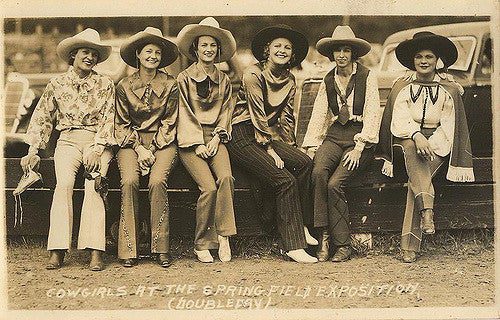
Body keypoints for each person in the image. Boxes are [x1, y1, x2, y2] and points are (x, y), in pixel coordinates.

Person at [20, 28, 115, 271]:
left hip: (96, 142)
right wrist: (33, 150)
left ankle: (95, 250)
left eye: (94, 54)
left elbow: (109, 119)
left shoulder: (105, 84)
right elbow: (43, 118)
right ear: (73, 55)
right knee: (63, 186)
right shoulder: (57, 84)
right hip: (68, 141)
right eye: (85, 52)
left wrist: (98, 147)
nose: (90, 57)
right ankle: (58, 249)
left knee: (94, 186)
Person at [376, 31, 474, 263]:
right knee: (411, 148)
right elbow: (398, 120)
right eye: (419, 56)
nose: (423, 61)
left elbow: (450, 125)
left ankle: (412, 240)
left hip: (438, 143)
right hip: (406, 139)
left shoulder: (448, 89)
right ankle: (427, 212)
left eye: (429, 56)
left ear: (437, 60)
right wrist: (417, 135)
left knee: (417, 179)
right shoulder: (402, 86)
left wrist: (431, 143)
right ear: (413, 60)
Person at [227, 24, 318, 263]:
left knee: (304, 162)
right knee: (285, 180)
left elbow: (287, 118)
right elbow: (257, 114)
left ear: (293, 54)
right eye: (277, 45)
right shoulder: (252, 74)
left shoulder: (290, 79)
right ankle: (293, 245)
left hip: (263, 134)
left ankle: (302, 226)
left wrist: (290, 147)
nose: (282, 50)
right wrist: (269, 150)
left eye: (287, 47)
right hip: (240, 135)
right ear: (267, 50)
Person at [301, 25, 383, 262]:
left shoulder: (367, 77)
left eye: (346, 50)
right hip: (336, 135)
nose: (341, 55)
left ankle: (343, 245)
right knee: (318, 172)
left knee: (335, 183)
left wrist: (360, 148)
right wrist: (312, 145)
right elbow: (319, 114)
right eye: (337, 50)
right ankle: (323, 236)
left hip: (360, 137)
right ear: (332, 54)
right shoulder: (328, 80)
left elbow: (372, 113)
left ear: (353, 53)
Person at [114, 27, 179, 268]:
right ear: (138, 55)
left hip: (163, 141)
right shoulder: (123, 86)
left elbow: (171, 121)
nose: (153, 56)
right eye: (148, 51)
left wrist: (152, 148)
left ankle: (160, 248)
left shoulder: (171, 84)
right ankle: (128, 248)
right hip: (130, 142)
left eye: (157, 52)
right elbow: (121, 124)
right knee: (129, 181)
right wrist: (139, 148)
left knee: (156, 181)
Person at [175, 17, 237, 263]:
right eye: (204, 45)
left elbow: (226, 112)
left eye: (213, 45)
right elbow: (183, 113)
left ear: (218, 50)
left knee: (225, 178)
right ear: (196, 49)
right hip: (190, 141)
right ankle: (202, 242)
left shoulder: (224, 80)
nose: (208, 49)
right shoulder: (184, 78)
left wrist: (217, 138)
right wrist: (198, 142)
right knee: (208, 187)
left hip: (215, 137)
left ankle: (224, 236)